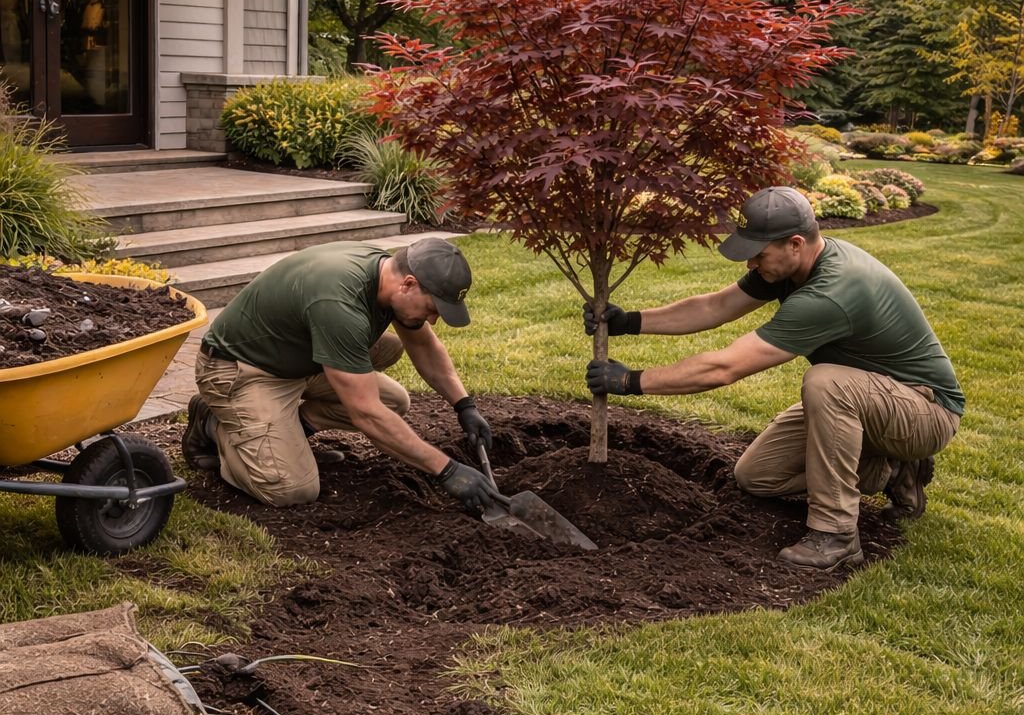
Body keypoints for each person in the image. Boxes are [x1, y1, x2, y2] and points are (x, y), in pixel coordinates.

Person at [584, 186, 963, 571]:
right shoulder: (793, 265)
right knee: (756, 476)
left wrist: (631, 381)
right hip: (872, 402)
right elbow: (717, 305)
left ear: (795, 243)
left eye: (758, 254)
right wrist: (630, 322)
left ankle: (835, 535)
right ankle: (893, 469)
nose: (751, 264)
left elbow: (724, 367)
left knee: (825, 382)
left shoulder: (828, 293)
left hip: (925, 411)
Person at [182, 236, 498, 516]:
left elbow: (425, 347)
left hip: (296, 358)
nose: (433, 319)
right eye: (432, 308)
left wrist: (464, 406)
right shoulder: (340, 303)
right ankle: (214, 425)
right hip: (240, 370)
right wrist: (446, 470)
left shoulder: (385, 273)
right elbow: (366, 415)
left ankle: (285, 428)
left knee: (393, 402)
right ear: (409, 284)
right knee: (290, 489)